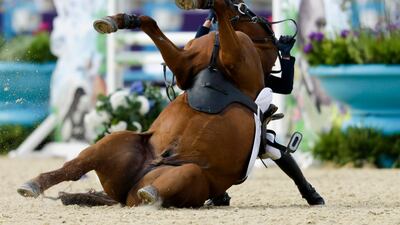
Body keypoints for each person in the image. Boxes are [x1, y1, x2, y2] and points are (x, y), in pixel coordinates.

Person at [196, 10, 325, 206]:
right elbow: (195, 48)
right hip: (213, 114)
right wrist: (209, 20)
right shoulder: (220, 62)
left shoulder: (256, 73)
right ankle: (217, 193)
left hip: (244, 124)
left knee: (270, 147)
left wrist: (286, 55)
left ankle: (306, 189)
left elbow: (285, 86)